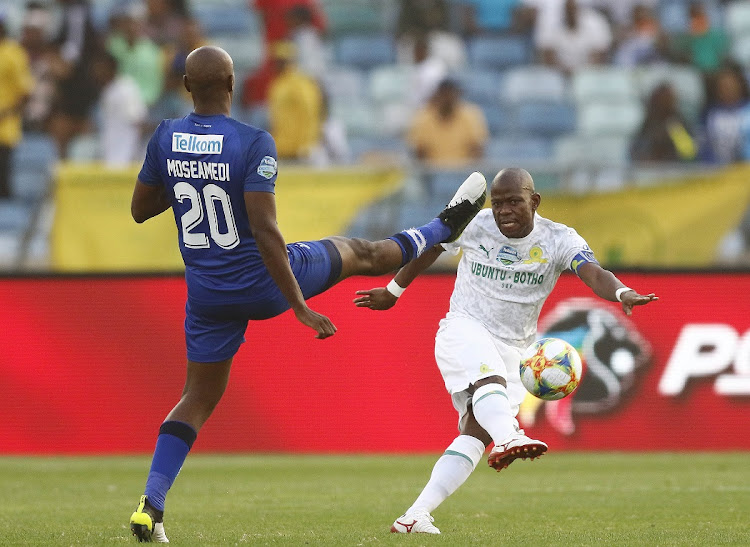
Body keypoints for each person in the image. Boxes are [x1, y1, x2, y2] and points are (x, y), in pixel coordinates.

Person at [127, 45, 488, 542]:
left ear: (186, 87)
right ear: (233, 84)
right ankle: (439, 229)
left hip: (208, 292)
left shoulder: (166, 136)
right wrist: (297, 303)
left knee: (196, 397)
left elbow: (140, 210)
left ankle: (152, 505)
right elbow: (266, 231)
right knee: (360, 253)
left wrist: (183, 170)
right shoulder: (253, 141)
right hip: (263, 281)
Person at [353, 168, 658, 534]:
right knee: (489, 385)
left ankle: (415, 515)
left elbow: (592, 271)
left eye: (514, 202)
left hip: (516, 348)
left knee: (474, 433)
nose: (504, 212)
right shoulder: (475, 224)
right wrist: (394, 290)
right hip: (464, 327)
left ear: (535, 201)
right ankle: (510, 436)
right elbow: (431, 248)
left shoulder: (559, 239)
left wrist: (622, 292)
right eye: (498, 204)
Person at [407, 78, 488, 167]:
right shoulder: (424, 117)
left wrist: (468, 172)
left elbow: (477, 148)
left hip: (464, 172)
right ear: (438, 95)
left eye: (450, 95)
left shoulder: (471, 115)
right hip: (432, 173)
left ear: (457, 95)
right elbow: (419, 151)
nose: (447, 99)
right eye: (444, 94)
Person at [0, 12, 35, 198]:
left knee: (3, 184)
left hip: (4, 128)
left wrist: (6, 113)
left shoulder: (14, 54)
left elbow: (26, 92)